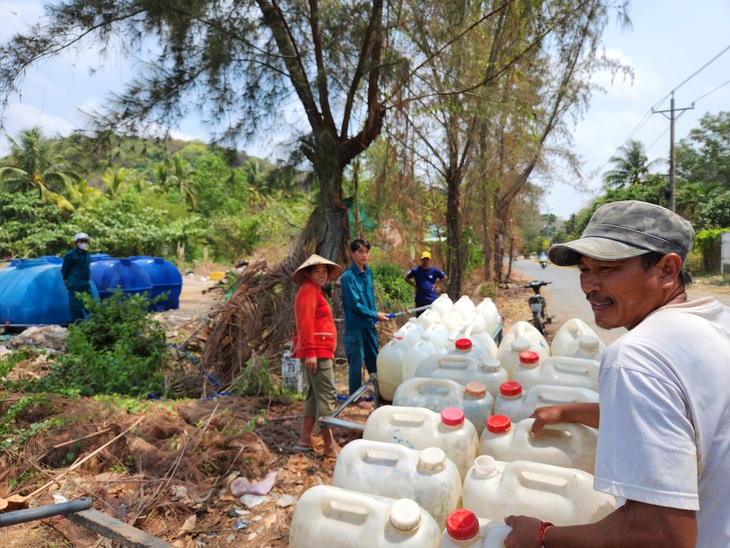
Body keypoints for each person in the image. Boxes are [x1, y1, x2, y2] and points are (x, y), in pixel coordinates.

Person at [504, 200, 730, 547]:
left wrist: (541, 535)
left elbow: (661, 535)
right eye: (584, 269)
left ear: (667, 270)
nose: (589, 285)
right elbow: (681, 422)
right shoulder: (717, 321)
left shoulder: (637, 357)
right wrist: (568, 412)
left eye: (607, 268)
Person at [291, 254, 343, 458]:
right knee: (327, 396)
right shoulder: (308, 291)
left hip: (318, 351)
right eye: (317, 271)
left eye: (324, 271)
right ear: (308, 273)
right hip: (318, 352)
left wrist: (298, 344)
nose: (321, 275)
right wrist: (310, 352)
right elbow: (304, 322)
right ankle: (329, 446)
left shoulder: (314, 291)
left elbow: (303, 321)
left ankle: (305, 439)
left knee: (314, 396)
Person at [340, 238, 391, 407]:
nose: (364, 255)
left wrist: (374, 317)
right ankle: (356, 397)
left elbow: (370, 299)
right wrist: (375, 314)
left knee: (374, 359)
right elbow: (355, 304)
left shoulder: (368, 273)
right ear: (353, 253)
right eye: (360, 251)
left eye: (367, 252)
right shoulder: (348, 277)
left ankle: (380, 392)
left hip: (369, 325)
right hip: (355, 326)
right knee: (356, 360)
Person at [61, 232, 92, 323]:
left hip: (85, 283)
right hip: (75, 283)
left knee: (90, 304)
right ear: (76, 243)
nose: (84, 243)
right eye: (81, 241)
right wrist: (66, 281)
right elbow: (65, 269)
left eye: (86, 241)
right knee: (76, 305)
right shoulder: (71, 254)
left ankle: (95, 323)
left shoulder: (87, 254)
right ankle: (79, 324)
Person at [404, 250, 447, 314]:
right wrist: (414, 285)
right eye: (424, 259)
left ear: (430, 260)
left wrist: (436, 285)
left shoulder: (434, 270)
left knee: (431, 319)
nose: (425, 261)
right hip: (420, 300)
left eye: (427, 259)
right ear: (421, 260)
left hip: (431, 299)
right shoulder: (416, 270)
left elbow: (444, 277)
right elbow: (406, 278)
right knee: (420, 319)